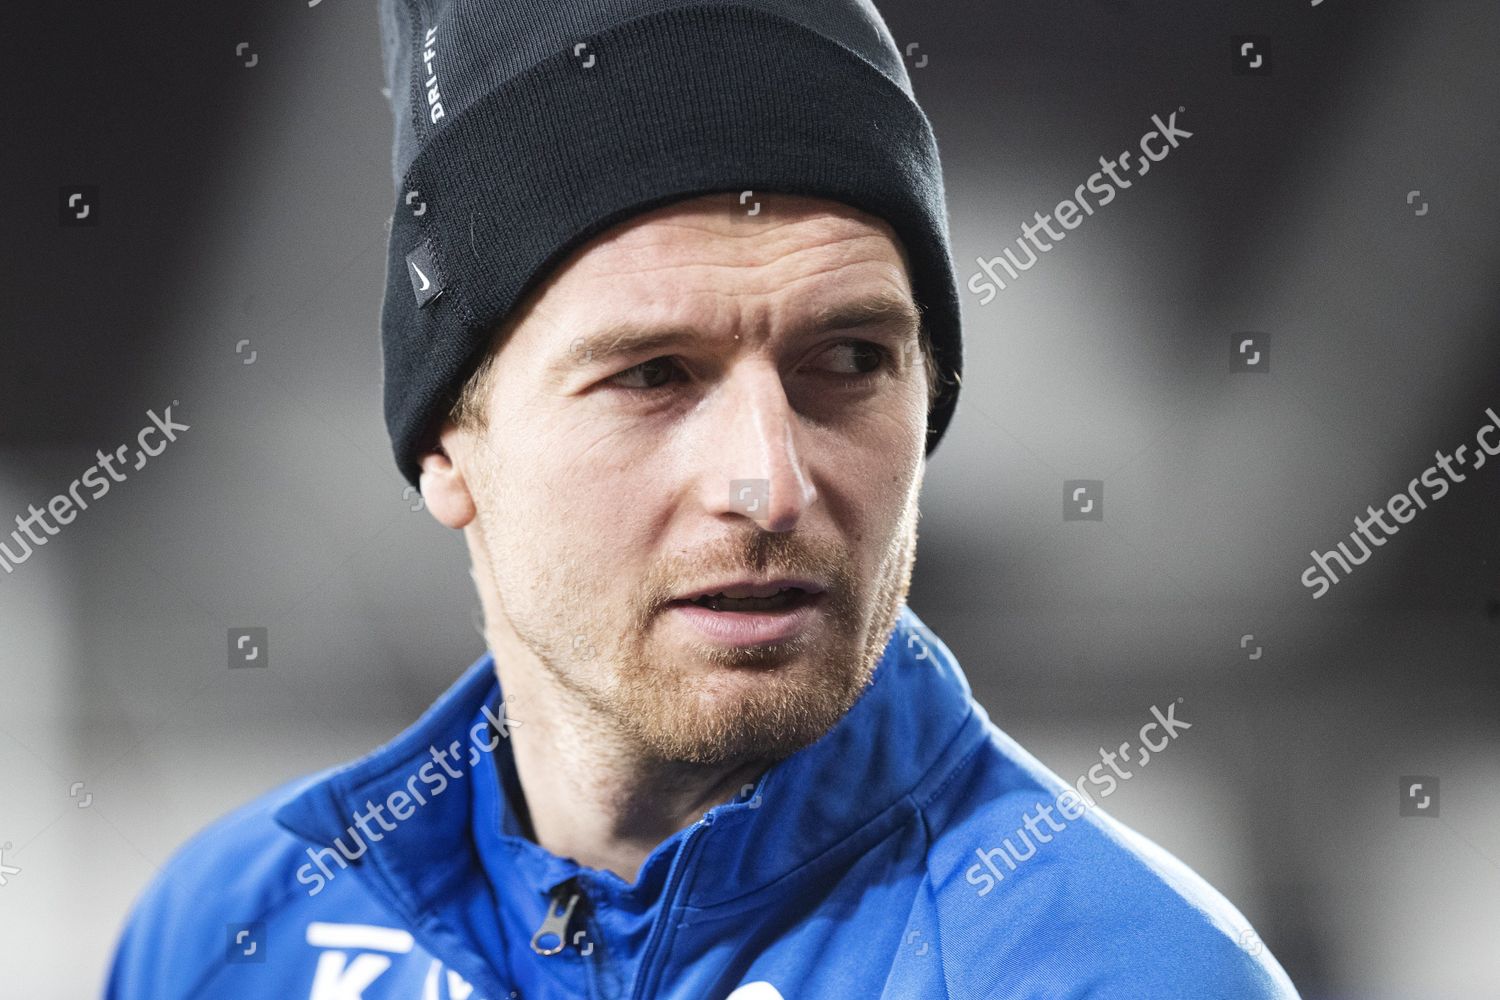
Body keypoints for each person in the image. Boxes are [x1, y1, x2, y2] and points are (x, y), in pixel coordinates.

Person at [106, 1, 1299, 997]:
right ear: (447, 445)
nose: (771, 483)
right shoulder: (229, 934)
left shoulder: (1120, 972)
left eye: (848, 361)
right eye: (653, 375)